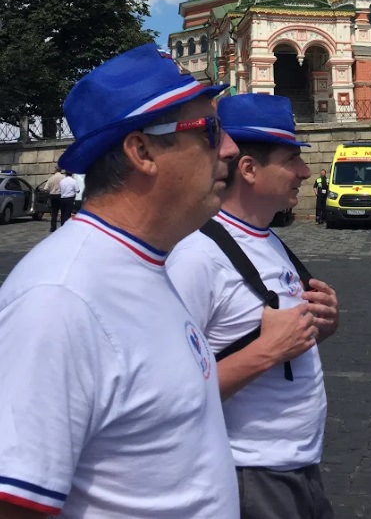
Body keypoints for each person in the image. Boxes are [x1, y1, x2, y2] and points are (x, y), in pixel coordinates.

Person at [0, 43, 241, 518]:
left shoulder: (145, 264)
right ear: (142, 150)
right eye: (210, 130)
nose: (230, 147)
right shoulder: (60, 300)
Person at [167, 93, 339, 519]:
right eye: (291, 160)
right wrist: (268, 352)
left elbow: (283, 334)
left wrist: (321, 323)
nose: (305, 172)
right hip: (250, 473)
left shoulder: (270, 239)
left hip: (299, 465)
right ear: (248, 169)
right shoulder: (196, 255)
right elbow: (169, 394)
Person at [44, 165, 65, 232]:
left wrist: (50, 191)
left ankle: (53, 228)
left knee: (54, 213)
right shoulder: (63, 178)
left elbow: (46, 189)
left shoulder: (51, 178)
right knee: (63, 212)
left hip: (53, 196)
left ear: (55, 170)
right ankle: (63, 227)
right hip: (61, 196)